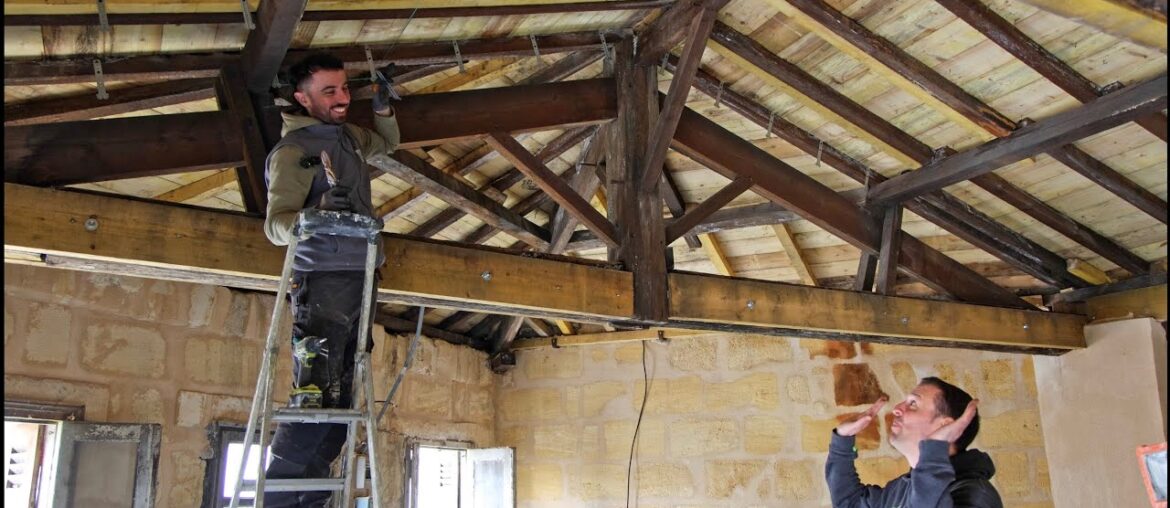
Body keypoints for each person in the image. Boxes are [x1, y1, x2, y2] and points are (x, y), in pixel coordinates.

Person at [261, 52, 400, 508]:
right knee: (316, 394)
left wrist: (382, 106)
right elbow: (275, 227)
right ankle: (279, 499)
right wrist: (314, 215)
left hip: (361, 273)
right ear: (302, 98)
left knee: (343, 399)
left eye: (344, 89)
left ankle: (315, 498)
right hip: (322, 277)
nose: (342, 99)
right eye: (329, 92)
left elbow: (387, 143)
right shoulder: (292, 152)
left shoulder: (349, 138)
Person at [825, 376, 1003, 507]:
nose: (896, 409)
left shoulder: (976, 495)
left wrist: (934, 451)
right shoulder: (902, 489)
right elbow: (850, 504)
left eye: (912, 404)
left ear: (945, 426)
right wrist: (842, 441)